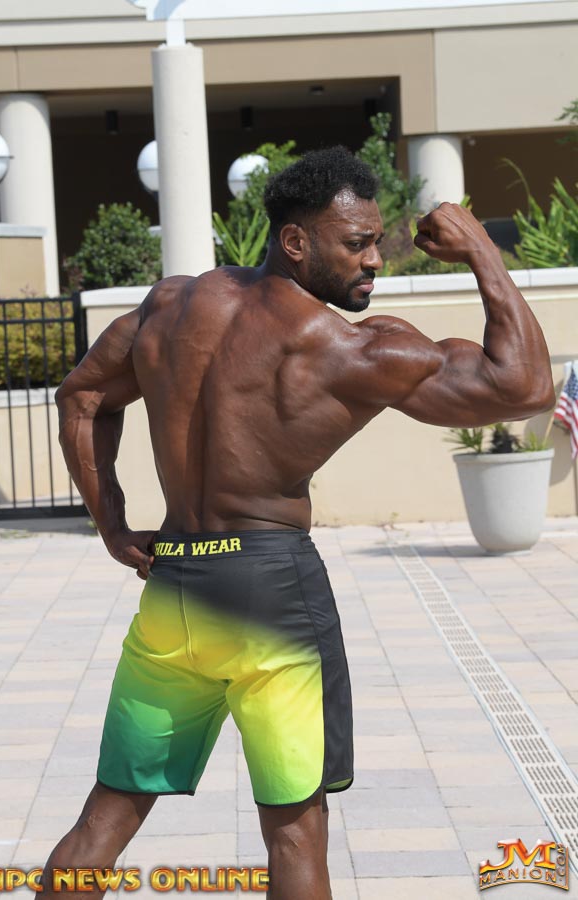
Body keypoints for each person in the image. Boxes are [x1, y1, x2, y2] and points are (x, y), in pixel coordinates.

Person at [44, 146, 554, 899]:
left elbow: (82, 397)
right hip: (271, 596)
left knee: (107, 814)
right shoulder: (352, 348)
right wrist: (481, 247)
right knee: (295, 832)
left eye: (376, 241)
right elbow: (525, 387)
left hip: (175, 591)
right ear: (294, 240)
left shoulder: (171, 306)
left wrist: (113, 527)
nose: (374, 259)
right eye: (356, 243)